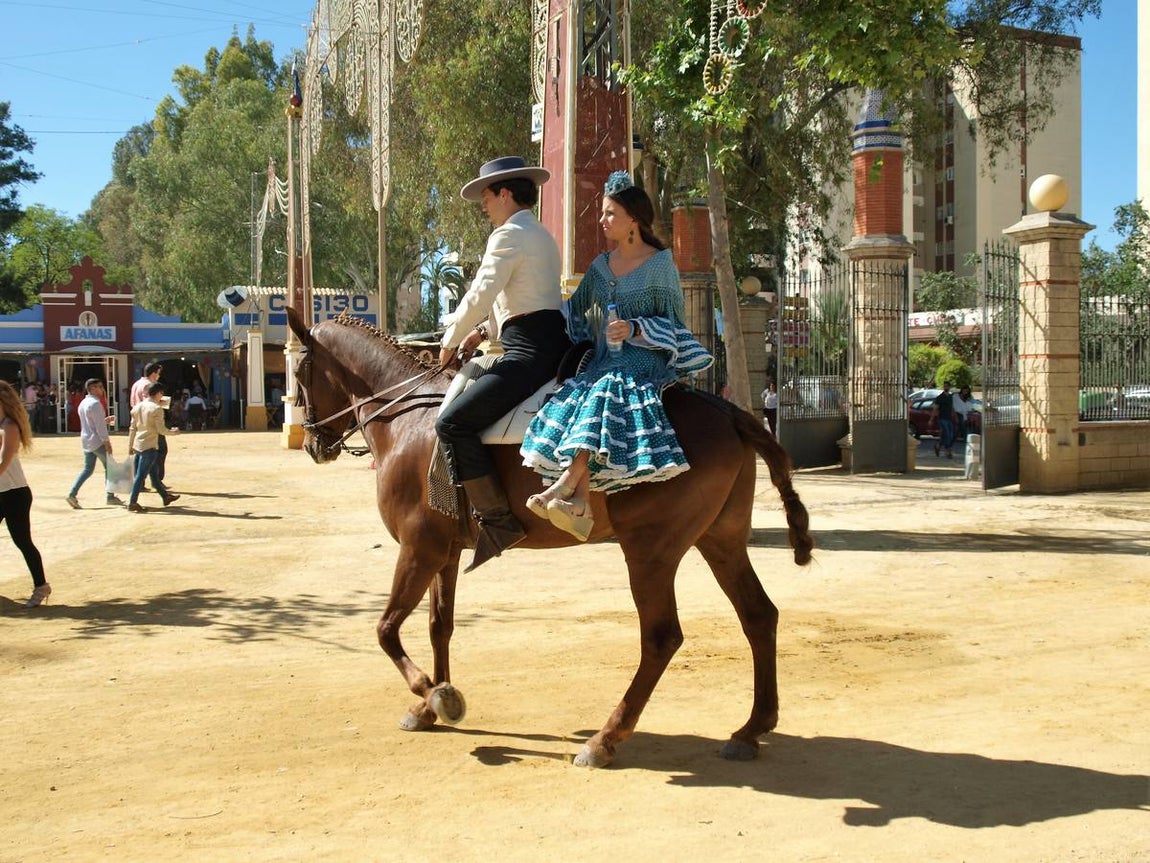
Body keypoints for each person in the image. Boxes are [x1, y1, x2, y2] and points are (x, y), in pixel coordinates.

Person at [520, 171, 713, 541]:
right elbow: (574, 313)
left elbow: (676, 324)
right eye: (603, 213)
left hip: (644, 362)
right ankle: (581, 503)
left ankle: (563, 486)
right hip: (604, 361)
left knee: (608, 388)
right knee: (580, 391)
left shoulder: (661, 266)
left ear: (633, 221)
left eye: (610, 214)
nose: (602, 220)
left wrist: (636, 329)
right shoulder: (599, 267)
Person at [435, 156, 571, 572]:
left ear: (506, 193)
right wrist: (483, 334)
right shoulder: (539, 234)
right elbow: (516, 297)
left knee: (451, 424)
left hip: (529, 351)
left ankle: (498, 519)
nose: (483, 204)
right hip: (544, 340)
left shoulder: (508, 234)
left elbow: (481, 291)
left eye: (487, 195)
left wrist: (449, 340)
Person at [0, 381, 50, 608]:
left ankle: (41, 586)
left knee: (23, 541)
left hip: (14, 494)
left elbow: (4, 461)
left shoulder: (9, 426)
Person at [126, 383, 181, 512]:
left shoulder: (137, 407)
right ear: (158, 393)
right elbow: (161, 430)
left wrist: (130, 445)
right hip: (150, 445)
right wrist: (173, 432)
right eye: (161, 393)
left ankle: (165, 496)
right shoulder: (156, 409)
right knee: (141, 476)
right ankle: (132, 502)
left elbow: (132, 428)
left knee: (153, 475)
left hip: (139, 444)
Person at [66, 378, 121, 508]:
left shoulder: (84, 402)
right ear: (92, 389)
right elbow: (100, 428)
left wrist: (105, 420)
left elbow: (92, 422)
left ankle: (72, 494)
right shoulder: (95, 404)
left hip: (87, 440)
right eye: (99, 387)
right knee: (110, 467)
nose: (102, 389)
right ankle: (110, 496)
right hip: (97, 441)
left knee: (88, 469)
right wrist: (106, 442)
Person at [130, 362, 172, 495]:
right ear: (154, 373)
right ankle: (156, 481)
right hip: (150, 423)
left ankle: (142, 482)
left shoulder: (136, 384)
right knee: (159, 451)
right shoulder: (149, 386)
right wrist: (163, 402)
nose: (159, 376)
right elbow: (149, 402)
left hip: (138, 422)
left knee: (140, 454)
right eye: (158, 373)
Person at [931, 381, 957, 459]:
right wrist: (931, 419)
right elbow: (935, 409)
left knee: (950, 435)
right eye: (944, 386)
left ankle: (938, 446)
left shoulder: (950, 397)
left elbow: (952, 407)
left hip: (949, 418)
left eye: (947, 386)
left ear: (949, 387)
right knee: (948, 434)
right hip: (942, 418)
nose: (946, 388)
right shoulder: (939, 397)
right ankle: (947, 451)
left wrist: (955, 416)